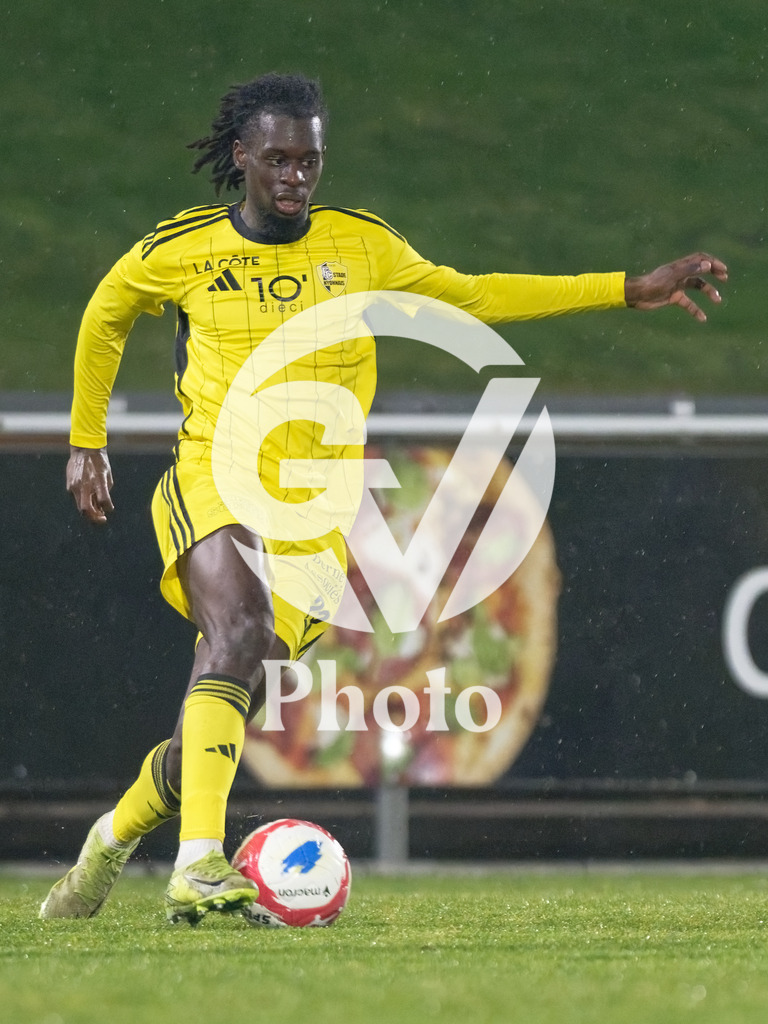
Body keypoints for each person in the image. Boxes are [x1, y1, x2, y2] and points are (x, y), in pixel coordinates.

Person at [39, 72, 727, 925]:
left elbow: (472, 295)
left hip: (316, 513)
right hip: (214, 475)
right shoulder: (180, 251)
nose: (296, 177)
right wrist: (85, 440)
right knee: (239, 630)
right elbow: (106, 312)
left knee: (208, 725)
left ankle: (112, 837)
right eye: (280, 159)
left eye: (311, 161)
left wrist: (627, 287)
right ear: (242, 156)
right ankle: (198, 866)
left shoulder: (361, 246)